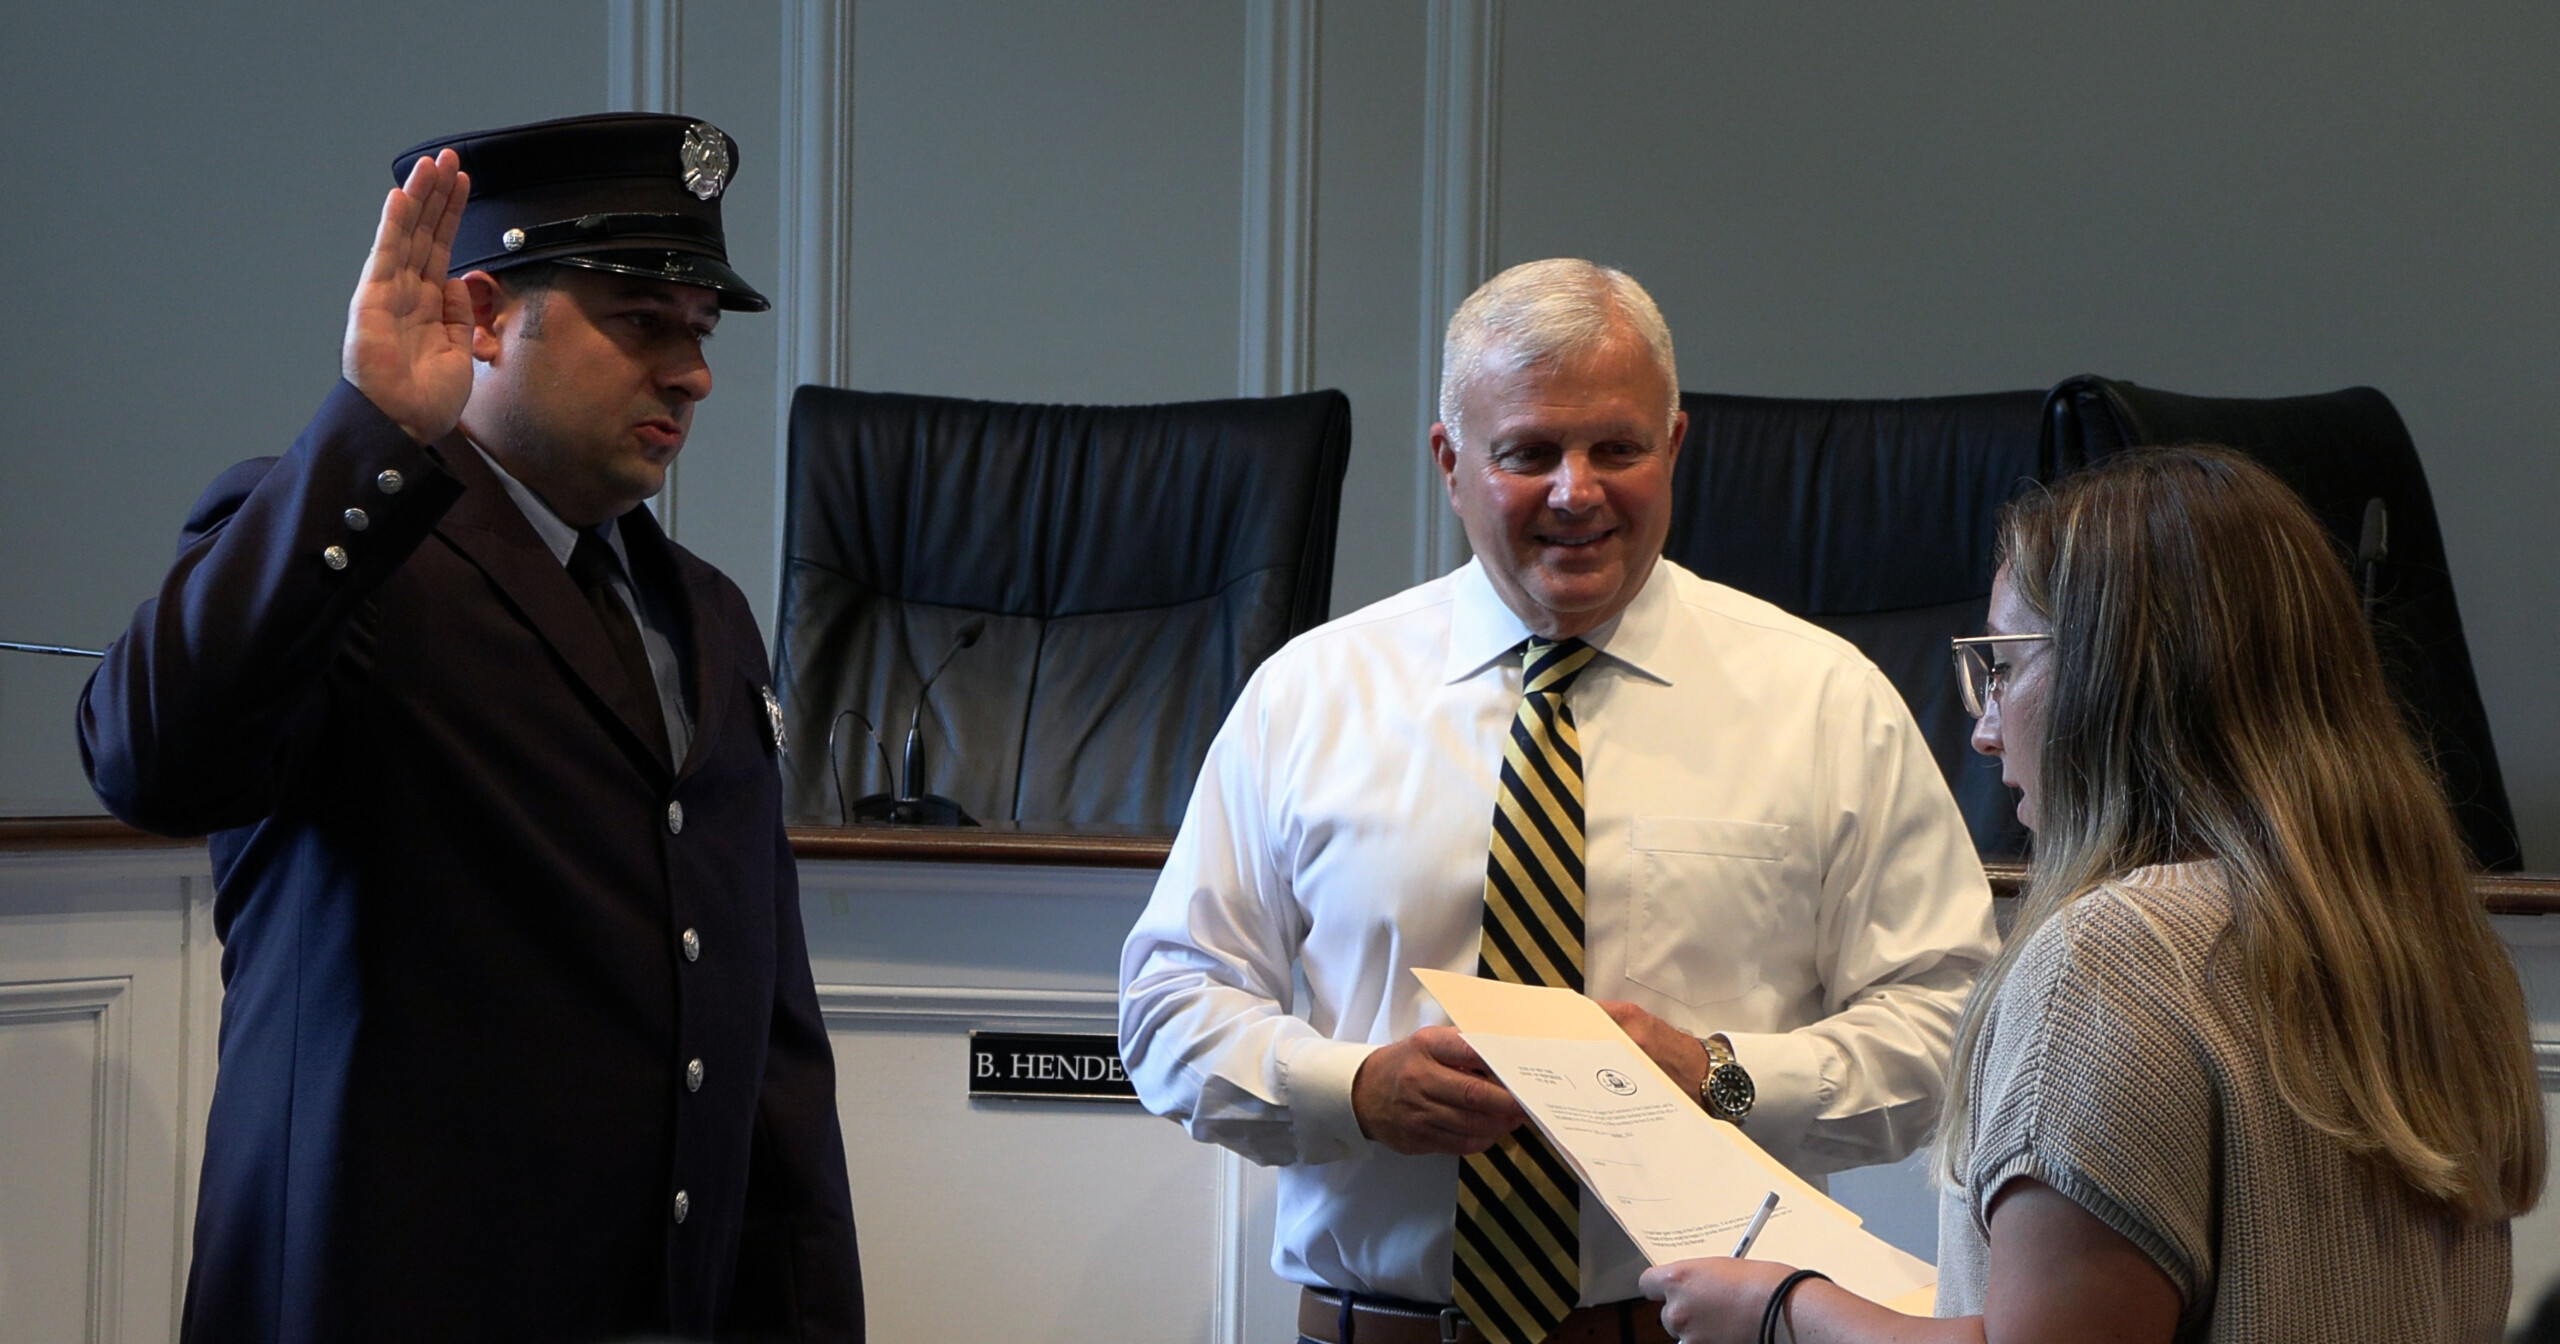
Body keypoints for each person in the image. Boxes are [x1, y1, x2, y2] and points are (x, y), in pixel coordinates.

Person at [78, 113, 863, 1343]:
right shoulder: (345, 550)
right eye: (643, 322)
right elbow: (150, 761)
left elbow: (767, 1044)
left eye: (700, 334)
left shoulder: (707, 615)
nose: (693, 374)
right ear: (486, 318)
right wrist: (371, 431)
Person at [1118, 258, 1996, 1344]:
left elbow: (1951, 1030)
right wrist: (1351, 1091)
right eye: (1528, 453)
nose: (1576, 492)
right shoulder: (1310, 694)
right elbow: (1170, 1004)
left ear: (1672, 449)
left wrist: (1723, 1077)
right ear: (1450, 462)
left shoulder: (1823, 699)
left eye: (1616, 448)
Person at [1639, 446, 2544, 1342]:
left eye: (2002, 665)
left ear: (2120, 680)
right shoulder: (2424, 943)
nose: (1985, 733)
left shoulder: (2112, 957)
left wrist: (1783, 1310)